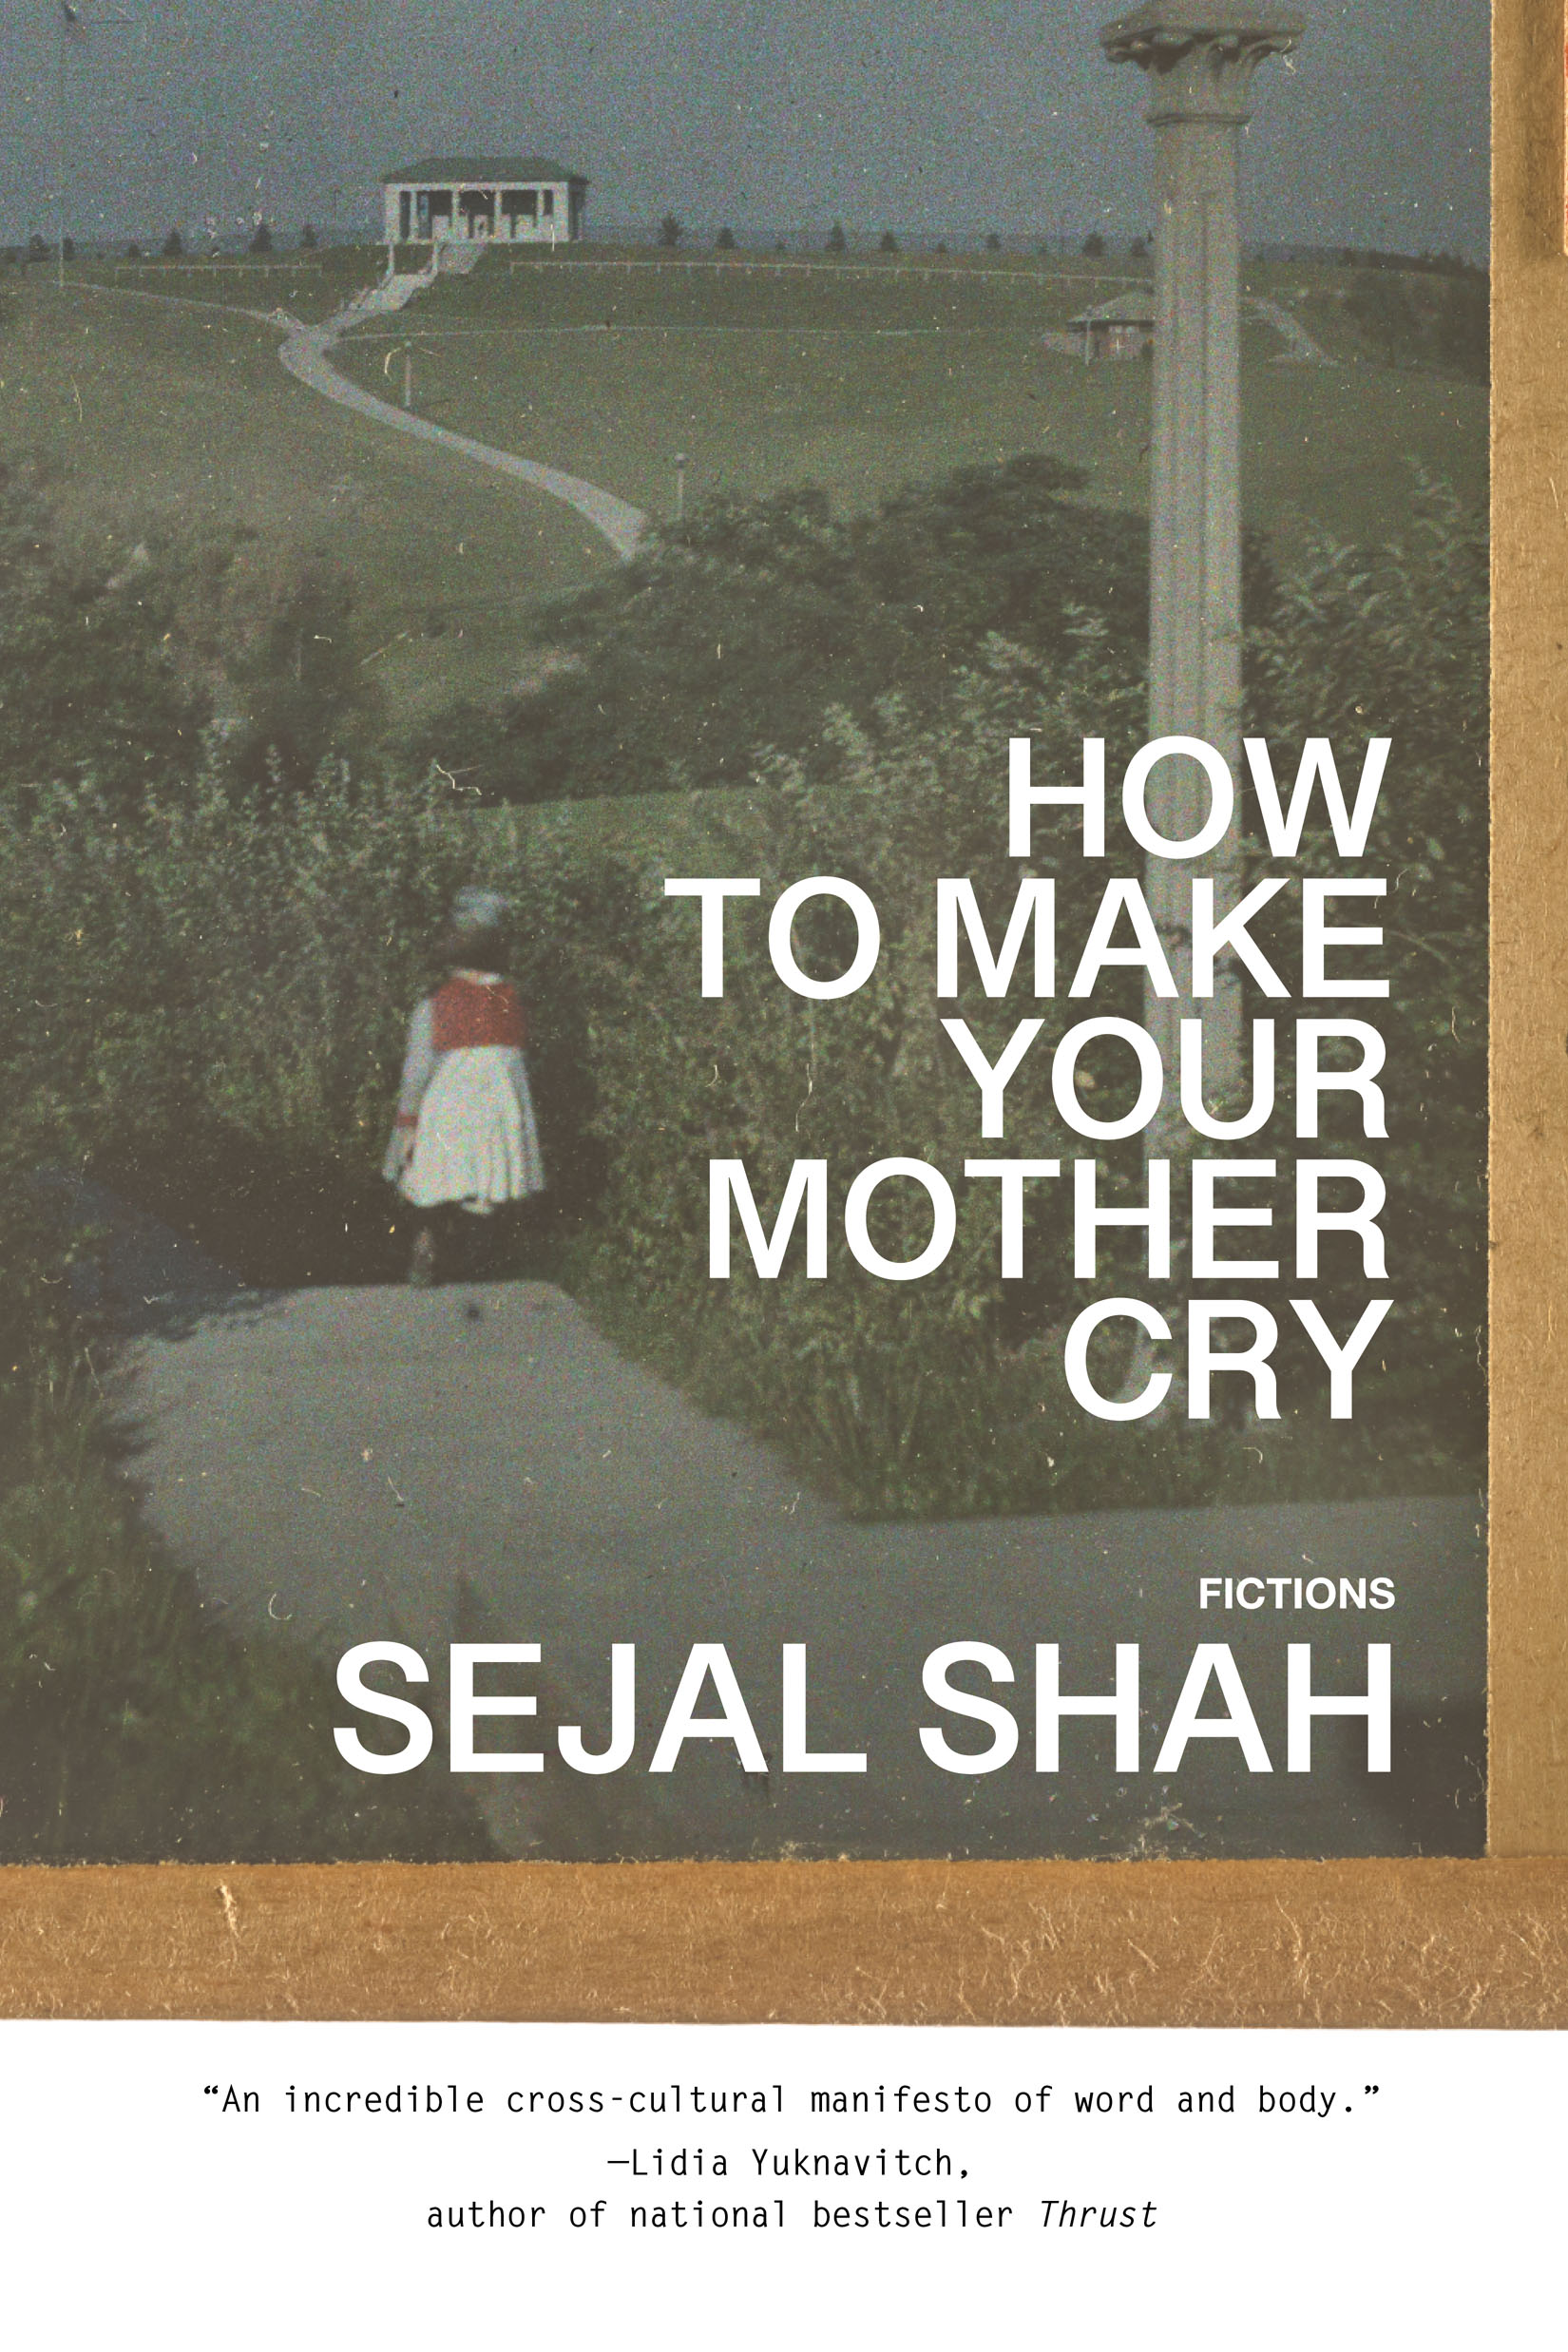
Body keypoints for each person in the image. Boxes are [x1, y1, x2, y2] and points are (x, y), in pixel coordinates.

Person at [382, 888, 545, 1285]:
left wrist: (406, 1120)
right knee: (485, 1184)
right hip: (496, 1111)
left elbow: (417, 1071)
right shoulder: (512, 1003)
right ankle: (477, 1263)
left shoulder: (436, 1005)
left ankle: (426, 1240)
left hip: (448, 1105)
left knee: (430, 1177)